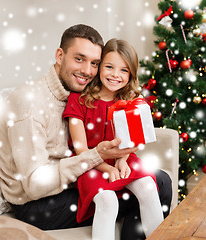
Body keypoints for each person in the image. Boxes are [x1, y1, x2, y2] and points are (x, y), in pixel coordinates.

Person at [0, 24, 172, 240]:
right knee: (157, 184)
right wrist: (98, 160)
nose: (87, 71)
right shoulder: (30, 104)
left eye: (94, 63)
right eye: (79, 59)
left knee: (155, 180)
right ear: (60, 55)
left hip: (75, 179)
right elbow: (35, 186)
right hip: (38, 205)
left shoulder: (78, 91)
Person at [63, 38, 163, 240]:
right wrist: (108, 168)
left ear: (131, 73)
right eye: (109, 67)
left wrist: (122, 160)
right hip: (89, 164)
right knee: (108, 201)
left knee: (148, 187)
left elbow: (130, 141)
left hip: (121, 159)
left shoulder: (130, 102)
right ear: (99, 67)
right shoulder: (78, 100)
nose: (115, 75)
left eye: (124, 70)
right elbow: (81, 150)